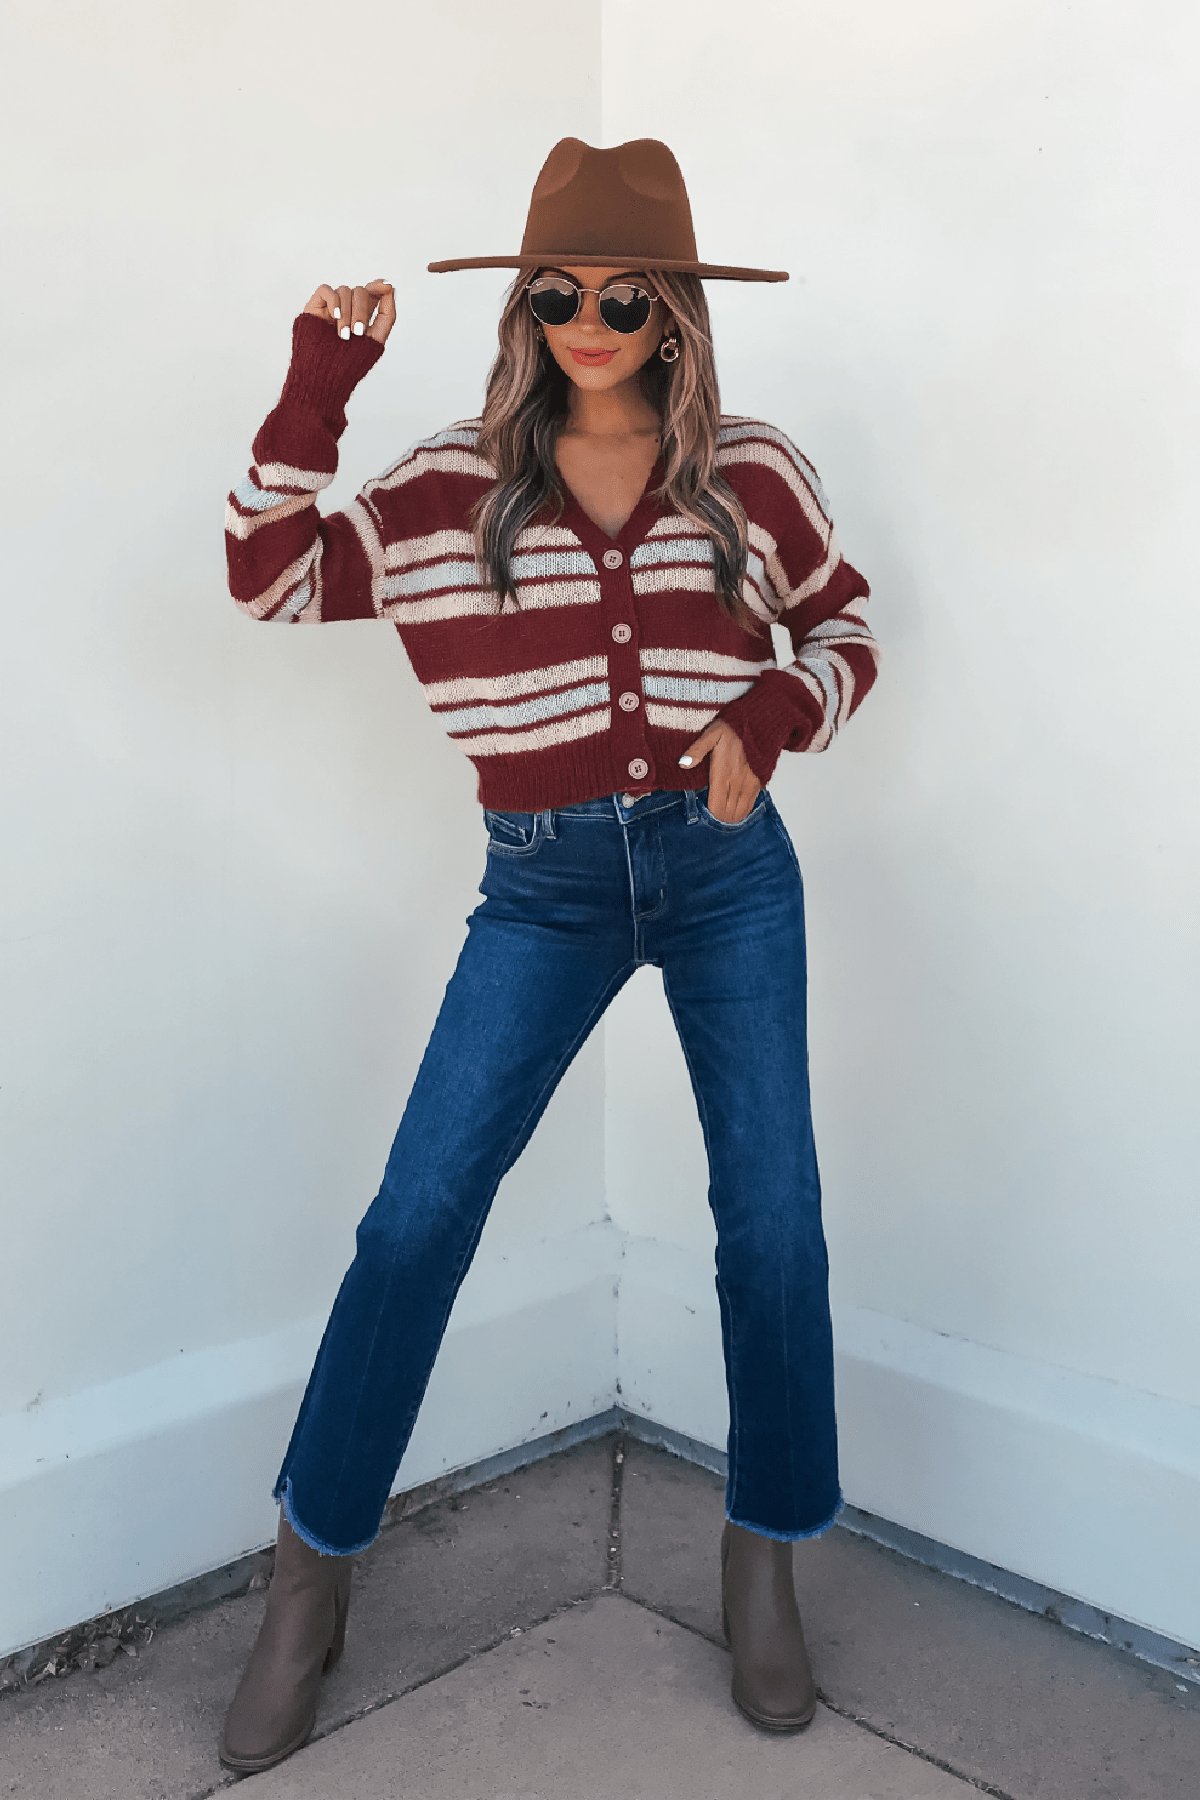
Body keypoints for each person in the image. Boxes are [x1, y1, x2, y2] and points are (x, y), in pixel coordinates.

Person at [218, 136, 879, 1774]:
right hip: (544, 885)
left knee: (776, 1225)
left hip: (731, 879)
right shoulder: (452, 485)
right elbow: (270, 573)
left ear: (675, 317)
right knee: (419, 1213)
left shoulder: (755, 474)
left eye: (627, 294)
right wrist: (319, 389)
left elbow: (850, 623)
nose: (592, 317)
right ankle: (310, 1577)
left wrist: (780, 708)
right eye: (561, 291)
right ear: (527, 305)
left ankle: (765, 1557)